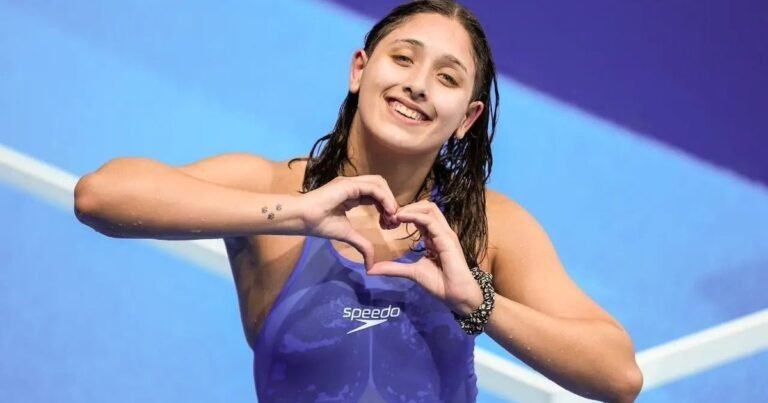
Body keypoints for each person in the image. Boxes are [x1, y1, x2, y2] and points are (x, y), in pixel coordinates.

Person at [74, 1, 643, 401]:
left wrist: (480, 304)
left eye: (447, 78)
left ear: (467, 118)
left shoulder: (489, 228)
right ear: (359, 70)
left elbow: (618, 375)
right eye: (403, 59)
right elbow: (101, 195)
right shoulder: (272, 190)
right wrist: (298, 214)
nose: (418, 84)